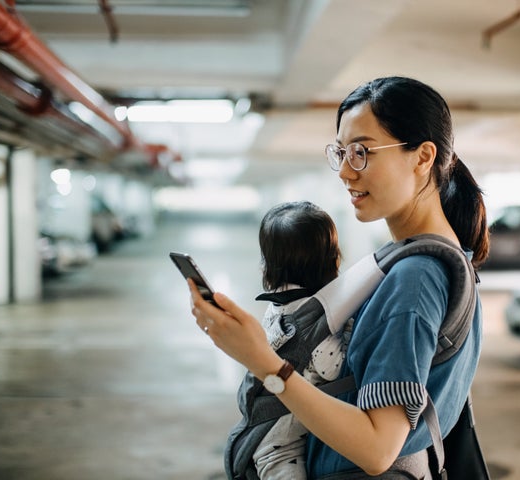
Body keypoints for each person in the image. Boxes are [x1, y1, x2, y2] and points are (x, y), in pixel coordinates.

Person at [188, 76, 489, 478]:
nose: (346, 172)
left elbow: (378, 448)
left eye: (362, 152)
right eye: (342, 152)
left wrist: (262, 361)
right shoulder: (443, 260)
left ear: (422, 157)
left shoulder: (416, 277)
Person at [252, 200, 344, 480]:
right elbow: (334, 367)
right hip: (282, 450)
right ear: (330, 261)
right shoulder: (312, 321)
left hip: (268, 435)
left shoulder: (278, 305)